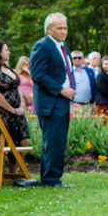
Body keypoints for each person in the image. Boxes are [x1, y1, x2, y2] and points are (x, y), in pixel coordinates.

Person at [28, 12, 75, 188]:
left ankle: (52, 177)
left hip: (61, 101)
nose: (63, 31)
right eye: (59, 28)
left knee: (58, 141)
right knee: (53, 141)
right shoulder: (43, 46)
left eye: (65, 28)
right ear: (48, 29)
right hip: (50, 102)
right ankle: (50, 179)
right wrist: (61, 89)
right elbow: (38, 75)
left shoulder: (62, 46)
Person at [0, 40, 31, 176]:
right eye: (6, 50)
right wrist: (11, 109)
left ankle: (14, 170)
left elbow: (17, 86)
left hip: (17, 112)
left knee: (24, 140)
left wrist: (20, 106)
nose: (9, 52)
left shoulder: (7, 68)